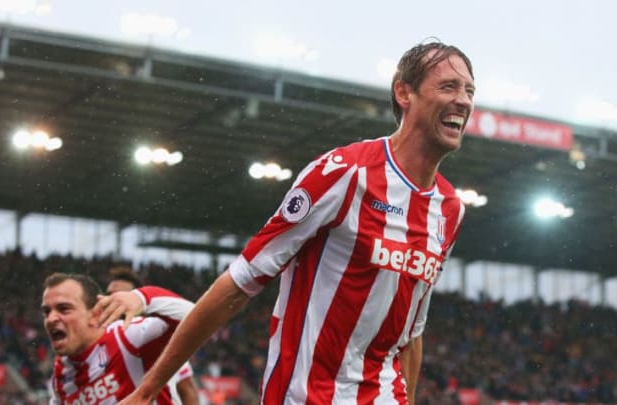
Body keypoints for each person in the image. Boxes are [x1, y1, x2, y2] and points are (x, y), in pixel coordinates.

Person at [120, 40, 475, 405]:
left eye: (469, 90)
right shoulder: (346, 174)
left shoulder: (450, 210)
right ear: (404, 92)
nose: (463, 100)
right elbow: (239, 283)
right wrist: (148, 390)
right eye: (448, 86)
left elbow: (410, 334)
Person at [41, 272, 194, 404]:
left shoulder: (129, 336)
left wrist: (143, 297)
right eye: (46, 311)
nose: (51, 318)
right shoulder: (60, 374)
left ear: (95, 314)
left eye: (64, 309)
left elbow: (198, 315)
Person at [106, 266, 200, 405]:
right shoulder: (95, 344)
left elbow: (187, 390)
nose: (115, 301)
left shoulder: (160, 341)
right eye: (110, 295)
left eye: (122, 296)